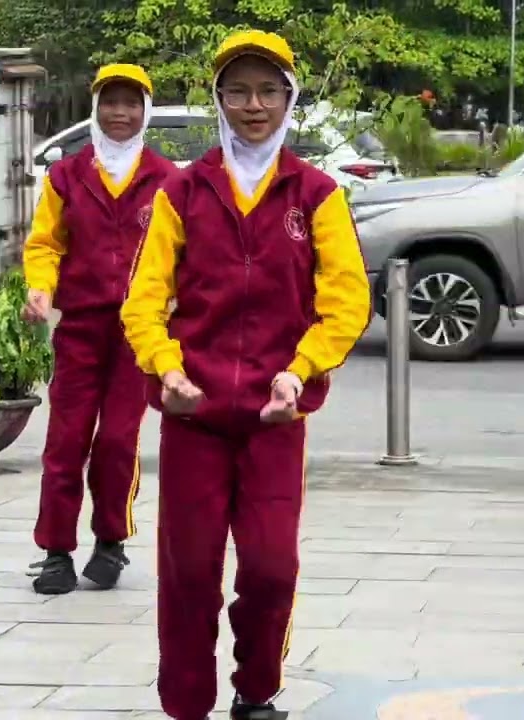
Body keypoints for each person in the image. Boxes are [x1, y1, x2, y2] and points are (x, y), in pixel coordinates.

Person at [120, 30, 371, 720]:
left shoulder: (315, 194)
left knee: (269, 568)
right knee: (189, 572)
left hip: (274, 420)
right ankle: (188, 703)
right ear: (218, 99)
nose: (253, 104)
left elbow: (346, 302)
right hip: (193, 416)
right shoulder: (183, 191)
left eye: (267, 90)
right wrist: (167, 369)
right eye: (238, 90)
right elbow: (144, 299)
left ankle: (256, 689)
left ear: (289, 99)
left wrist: (300, 371)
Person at [22, 63, 177, 596]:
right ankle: (55, 551)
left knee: (116, 440)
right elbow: (46, 244)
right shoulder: (67, 175)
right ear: (96, 108)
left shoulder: (167, 179)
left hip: (138, 333)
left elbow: (185, 252)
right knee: (65, 441)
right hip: (81, 326)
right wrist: (40, 287)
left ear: (145, 111)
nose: (120, 113)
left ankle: (111, 540)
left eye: (131, 103)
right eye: (111, 102)